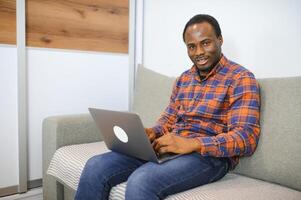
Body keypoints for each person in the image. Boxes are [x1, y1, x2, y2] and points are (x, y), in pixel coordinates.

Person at [75, 14, 260, 200]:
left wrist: (193, 144)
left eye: (205, 43)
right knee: (95, 167)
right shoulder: (184, 79)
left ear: (220, 40)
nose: (198, 52)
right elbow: (169, 119)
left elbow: (246, 137)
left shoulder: (240, 78)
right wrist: (153, 132)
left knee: (142, 180)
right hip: (171, 145)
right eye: (191, 46)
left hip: (209, 156)